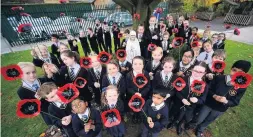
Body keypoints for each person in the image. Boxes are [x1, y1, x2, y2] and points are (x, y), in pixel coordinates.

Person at [193, 60, 251, 137]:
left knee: (209, 120)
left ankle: (200, 129)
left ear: (244, 74)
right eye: (234, 70)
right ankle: (194, 124)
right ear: (231, 69)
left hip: (220, 108)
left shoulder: (241, 87)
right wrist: (214, 96)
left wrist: (226, 101)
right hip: (208, 103)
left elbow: (236, 101)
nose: (235, 73)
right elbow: (208, 89)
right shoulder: (219, 78)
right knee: (200, 118)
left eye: (239, 72)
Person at [169, 62, 208, 135]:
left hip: (190, 107)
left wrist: (197, 100)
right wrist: (182, 99)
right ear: (192, 69)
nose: (197, 73)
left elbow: (203, 100)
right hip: (178, 103)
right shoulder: (183, 79)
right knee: (175, 114)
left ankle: (179, 125)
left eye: (200, 72)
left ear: (204, 73)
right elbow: (176, 91)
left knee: (184, 117)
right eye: (195, 70)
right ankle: (172, 122)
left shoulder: (204, 85)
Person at [126, 56, 151, 123]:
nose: (137, 66)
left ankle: (140, 115)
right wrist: (134, 93)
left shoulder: (146, 74)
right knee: (134, 106)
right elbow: (128, 87)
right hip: (132, 96)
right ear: (132, 65)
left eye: (140, 64)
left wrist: (141, 94)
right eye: (135, 64)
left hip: (143, 95)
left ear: (143, 65)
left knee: (141, 106)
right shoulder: (129, 75)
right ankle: (134, 115)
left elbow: (148, 86)